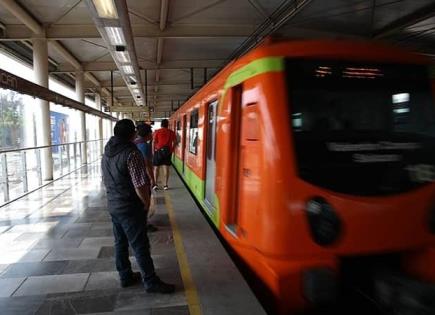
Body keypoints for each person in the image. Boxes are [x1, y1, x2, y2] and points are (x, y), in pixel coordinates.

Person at [102, 119, 174, 293]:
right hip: (129, 206)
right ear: (132, 134)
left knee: (120, 242)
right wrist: (146, 203)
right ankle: (150, 281)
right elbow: (140, 184)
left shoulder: (107, 152)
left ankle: (125, 276)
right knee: (140, 244)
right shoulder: (131, 153)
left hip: (114, 204)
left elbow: (105, 179)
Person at [134, 123, 158, 232]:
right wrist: (153, 180)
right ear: (148, 134)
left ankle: (140, 221)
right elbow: (147, 164)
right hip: (143, 178)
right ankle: (144, 223)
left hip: (134, 177)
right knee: (145, 200)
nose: (152, 134)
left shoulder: (134, 143)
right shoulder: (145, 145)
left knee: (138, 201)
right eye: (151, 132)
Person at [153, 119, 176, 190]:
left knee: (156, 168)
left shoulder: (157, 132)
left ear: (161, 125)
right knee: (166, 168)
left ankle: (155, 184)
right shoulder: (171, 132)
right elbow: (175, 142)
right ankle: (165, 185)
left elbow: (154, 142)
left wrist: (153, 151)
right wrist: (172, 150)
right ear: (167, 125)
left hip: (158, 151)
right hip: (167, 151)